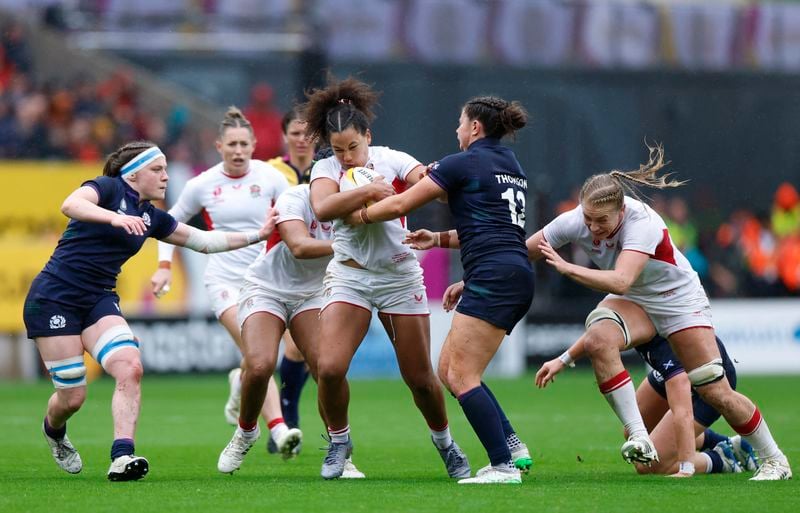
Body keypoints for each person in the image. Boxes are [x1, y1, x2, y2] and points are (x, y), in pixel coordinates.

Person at [526, 144, 791, 480]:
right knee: (598, 336)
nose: (591, 228)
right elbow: (523, 252)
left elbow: (621, 281)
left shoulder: (643, 223)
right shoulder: (577, 219)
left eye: (600, 221)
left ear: (621, 211)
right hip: (639, 300)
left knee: (714, 390)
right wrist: (476, 279)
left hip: (678, 302)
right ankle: (638, 435)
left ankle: (774, 459)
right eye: (587, 219)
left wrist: (568, 269)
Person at [23, 141, 278, 481]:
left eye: (166, 169)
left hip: (98, 299)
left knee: (131, 367)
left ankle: (122, 456)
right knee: (72, 398)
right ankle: (54, 432)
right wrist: (115, 218)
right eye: (157, 169)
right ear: (133, 173)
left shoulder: (151, 215)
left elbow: (204, 242)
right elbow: (70, 205)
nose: (165, 177)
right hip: (54, 297)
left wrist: (258, 235)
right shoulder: (108, 188)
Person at [347, 95, 534, 484]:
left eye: (460, 123)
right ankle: (512, 445)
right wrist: (439, 239)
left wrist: (358, 214)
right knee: (449, 371)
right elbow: (489, 225)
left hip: (495, 275)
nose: (457, 129)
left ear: (475, 128)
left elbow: (401, 202)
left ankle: (502, 466)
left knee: (463, 375)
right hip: (506, 271)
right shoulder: (509, 164)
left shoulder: (460, 162)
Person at [304, 76, 470, 480]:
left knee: (420, 379)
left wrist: (435, 178)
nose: (346, 157)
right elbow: (324, 209)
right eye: (339, 149)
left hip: (399, 276)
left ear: (368, 136)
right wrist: (369, 192)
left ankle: (446, 444)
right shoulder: (325, 169)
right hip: (351, 277)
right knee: (328, 368)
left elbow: (432, 187)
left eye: (353, 147)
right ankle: (339, 441)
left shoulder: (392, 159)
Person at [149, 107, 298, 455]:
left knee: (259, 360)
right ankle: (278, 429)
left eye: (244, 144)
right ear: (219, 146)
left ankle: (238, 385)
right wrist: (164, 266)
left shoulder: (271, 178)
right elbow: (166, 224)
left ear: (254, 144)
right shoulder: (202, 185)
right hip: (224, 281)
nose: (238, 150)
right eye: (231, 144)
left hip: (264, 280)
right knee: (258, 354)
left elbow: (295, 215)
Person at [216, 182, 364, 479]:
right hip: (267, 288)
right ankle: (246, 433)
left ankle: (341, 450)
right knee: (259, 365)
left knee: (326, 370)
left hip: (313, 293)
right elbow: (298, 246)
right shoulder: (294, 197)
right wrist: (346, 247)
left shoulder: (355, 203)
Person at [537, 332, 760, 476]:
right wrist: (563, 360)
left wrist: (686, 466)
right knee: (635, 431)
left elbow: (682, 411)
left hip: (703, 379)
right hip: (670, 367)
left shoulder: (641, 284)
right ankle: (728, 443)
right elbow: (599, 333)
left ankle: (722, 459)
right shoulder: (632, 294)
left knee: (649, 464)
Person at [265, 107, 315, 438]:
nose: (301, 139)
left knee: (313, 353)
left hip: (322, 266)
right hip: (282, 265)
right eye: (294, 133)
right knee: (296, 348)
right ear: (285, 136)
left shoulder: (329, 171)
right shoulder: (269, 172)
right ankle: (287, 413)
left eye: (307, 133)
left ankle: (287, 408)